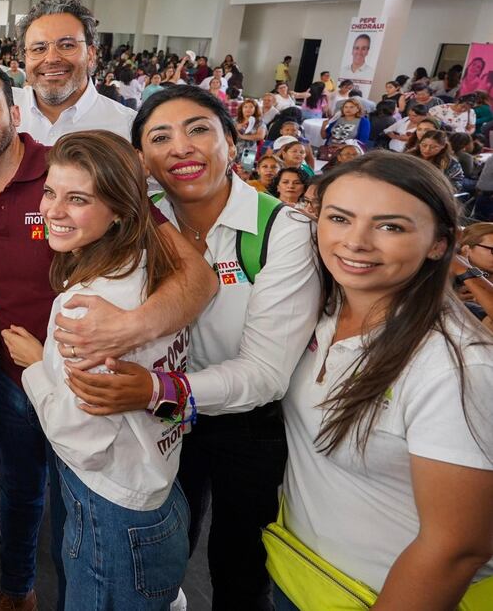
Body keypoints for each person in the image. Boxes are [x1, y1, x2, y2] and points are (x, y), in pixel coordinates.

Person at [0, 60, 216, 611]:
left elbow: (199, 276)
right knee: (20, 491)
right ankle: (19, 589)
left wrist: (124, 329)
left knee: (82, 511)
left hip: (87, 387)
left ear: (15, 113)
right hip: (16, 378)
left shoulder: (70, 171)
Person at [66, 85, 320, 611]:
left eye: (199, 129)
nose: (181, 147)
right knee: (163, 539)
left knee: (239, 559)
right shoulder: (144, 217)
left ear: (232, 141)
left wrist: (160, 388)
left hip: (244, 420)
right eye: (161, 137)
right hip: (158, 413)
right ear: (143, 160)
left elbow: (266, 374)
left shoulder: (282, 230)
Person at [272, 154, 493, 610]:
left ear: (439, 244)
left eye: (390, 226)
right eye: (338, 218)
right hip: (301, 574)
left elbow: (457, 548)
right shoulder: (322, 309)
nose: (355, 242)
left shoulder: (457, 367)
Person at [10, 130, 192, 611]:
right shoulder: (152, 266)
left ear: (119, 211)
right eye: (50, 192)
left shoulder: (86, 307)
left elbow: (82, 442)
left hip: (112, 513)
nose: (53, 210)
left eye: (78, 199)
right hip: (158, 490)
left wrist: (34, 368)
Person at [12, 0, 136, 145]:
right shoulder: (1, 112)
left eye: (67, 45)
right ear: (25, 57)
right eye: (39, 49)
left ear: (91, 54)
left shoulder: (127, 128)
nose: (51, 58)